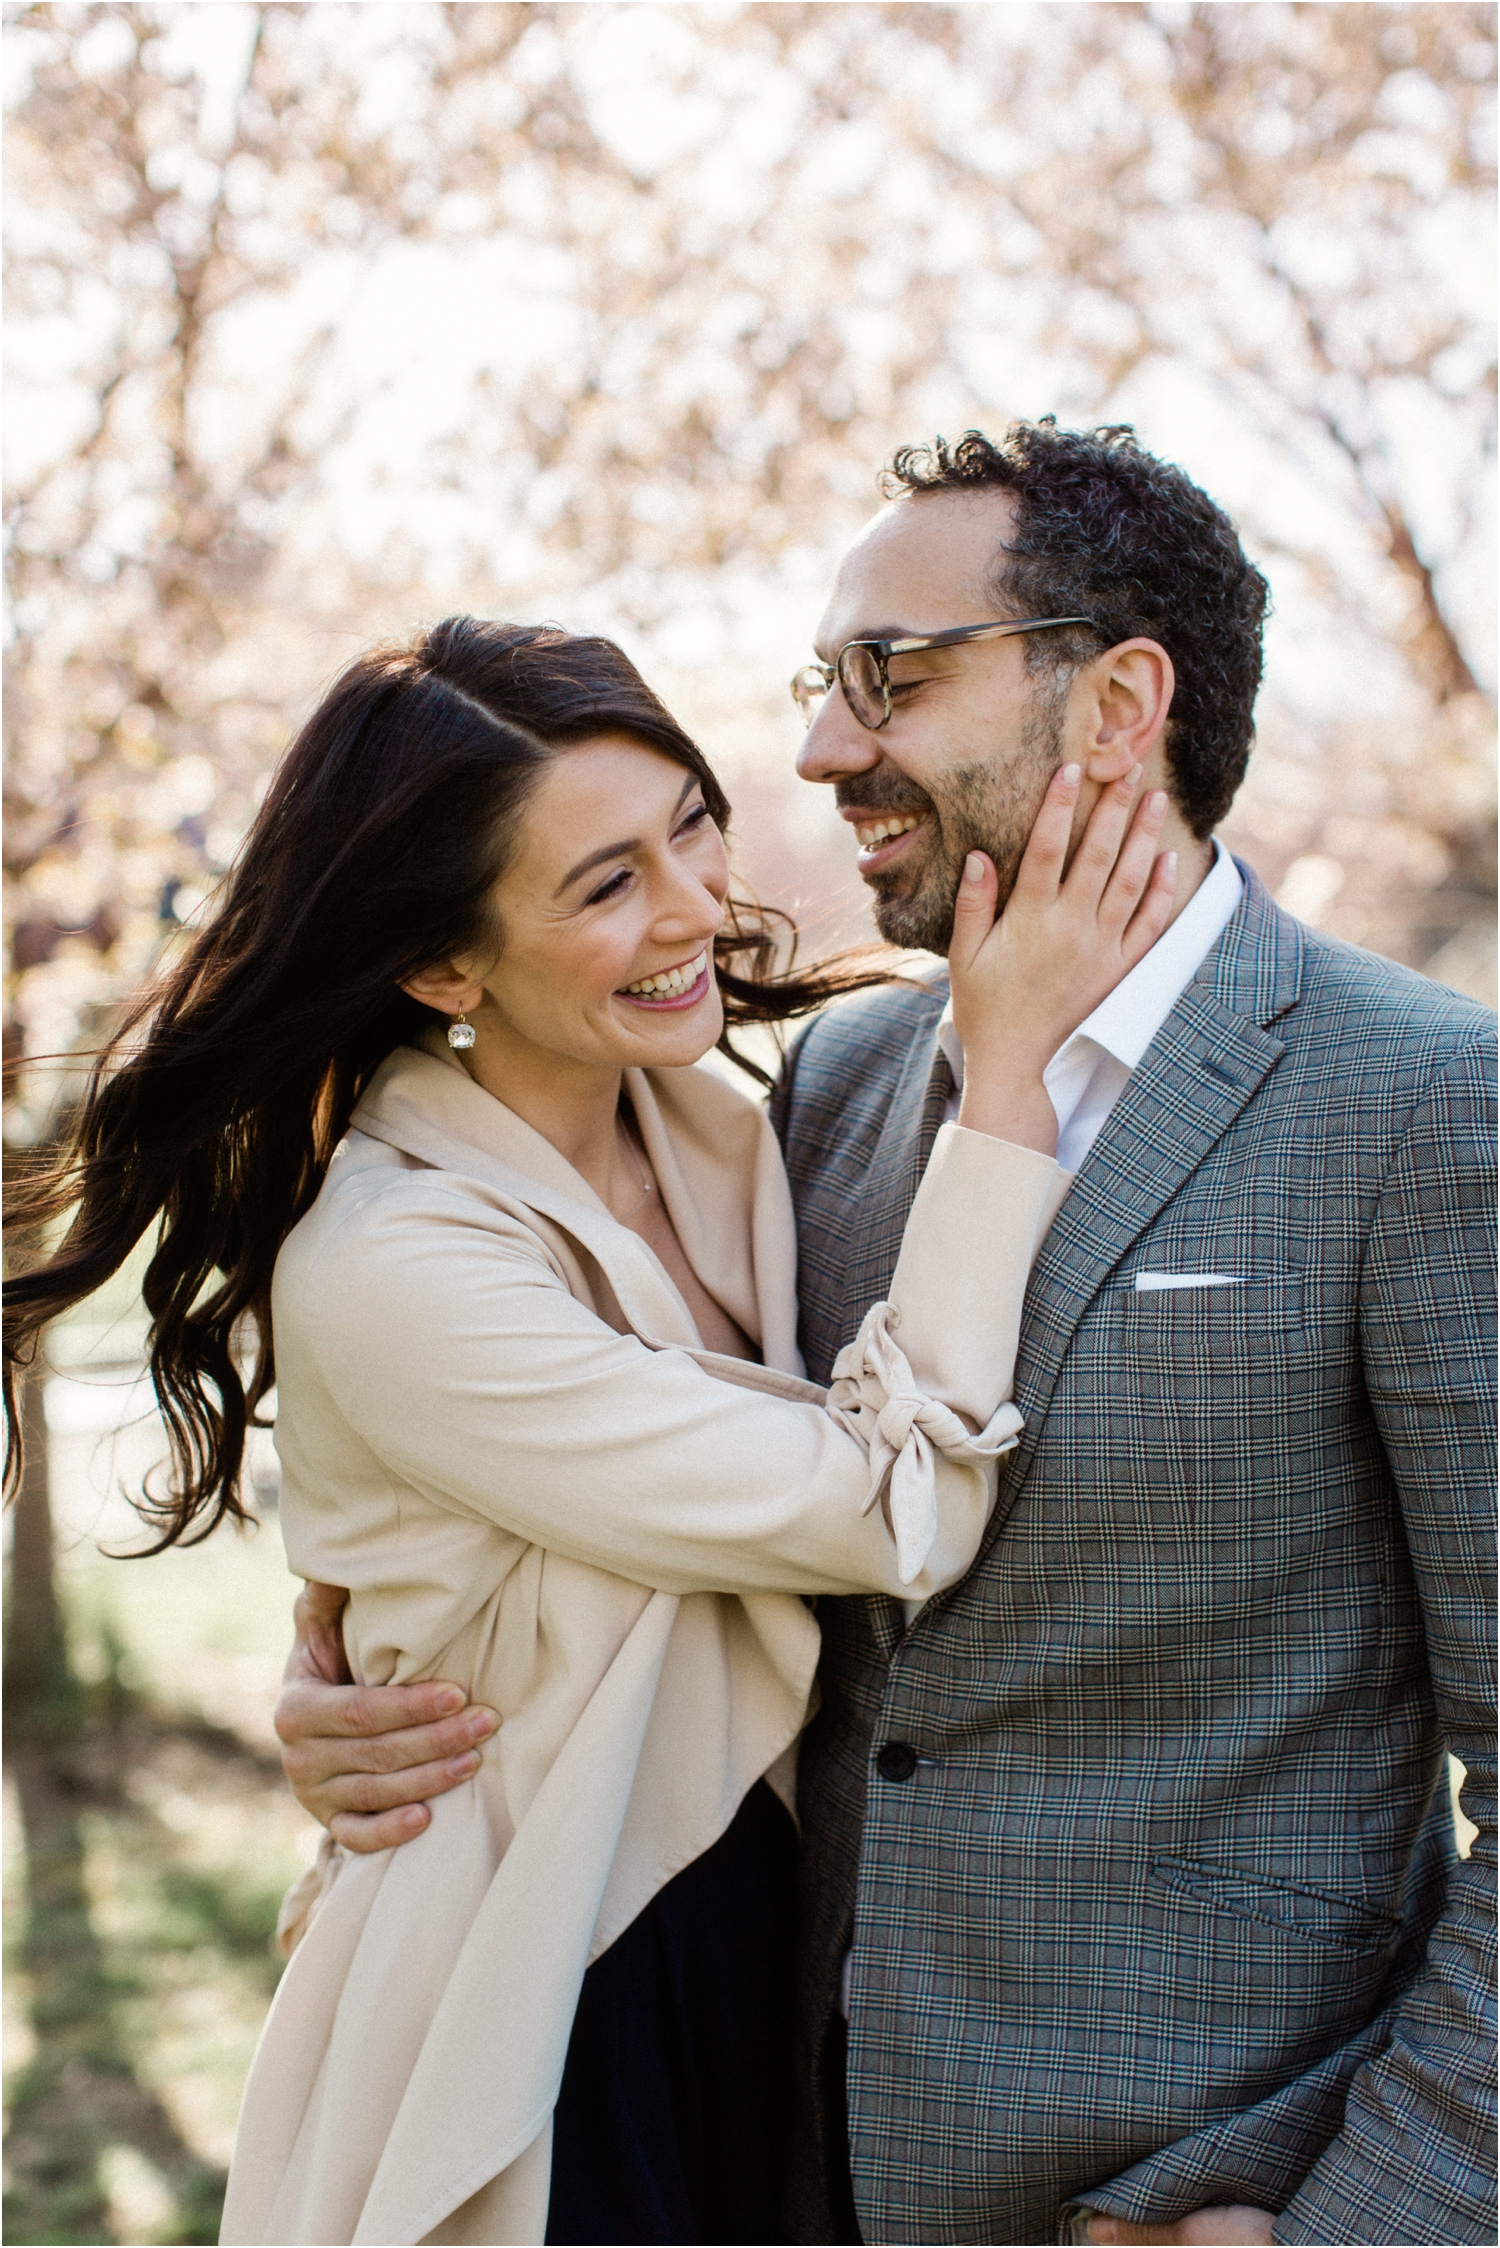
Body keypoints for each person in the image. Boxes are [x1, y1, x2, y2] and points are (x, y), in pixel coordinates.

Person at [279, 424, 1497, 2247]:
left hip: (1193, 2196)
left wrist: (1373, 2222)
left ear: (1116, 703)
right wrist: (365, 1668)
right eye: (821, 682)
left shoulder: (1421, 1107)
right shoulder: (833, 1091)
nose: (820, 747)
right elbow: (694, 1505)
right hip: (776, 2158)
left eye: (891, 679)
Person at [4, 614, 1178, 2247]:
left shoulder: (727, 1122)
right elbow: (889, 1509)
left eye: (688, 825)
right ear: (442, 966)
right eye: (603, 884)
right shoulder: (393, 1262)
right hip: (545, 1991)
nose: (695, 906)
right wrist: (1009, 1087)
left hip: (767, 1949)